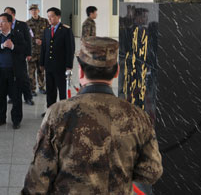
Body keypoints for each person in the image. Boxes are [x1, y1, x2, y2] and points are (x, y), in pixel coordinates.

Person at [22, 37, 163, 193]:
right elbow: (151, 172)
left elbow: (38, 177)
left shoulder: (59, 113)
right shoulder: (137, 116)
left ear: (81, 71)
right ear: (116, 72)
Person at [0, 13, 26, 129]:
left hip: (14, 71)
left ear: (9, 23)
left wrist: (13, 46)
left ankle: (16, 120)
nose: (0, 23)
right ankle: (1, 119)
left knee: (16, 97)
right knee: (1, 96)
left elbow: (24, 49)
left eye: (3, 21)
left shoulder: (17, 35)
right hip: (0, 71)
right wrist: (2, 46)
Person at [40, 7, 74, 112]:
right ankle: (51, 110)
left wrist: (69, 65)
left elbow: (70, 49)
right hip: (49, 65)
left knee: (62, 90)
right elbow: (44, 48)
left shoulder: (66, 30)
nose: (50, 19)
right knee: (50, 89)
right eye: (48, 17)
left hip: (60, 65)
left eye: (52, 16)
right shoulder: (46, 30)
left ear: (58, 17)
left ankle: (63, 111)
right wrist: (42, 63)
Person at [4, 6, 34, 105]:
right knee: (10, 78)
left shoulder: (22, 25)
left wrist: (28, 53)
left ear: (13, 14)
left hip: (20, 55)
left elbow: (28, 39)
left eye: (8, 13)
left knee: (23, 77)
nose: (6, 16)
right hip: (8, 56)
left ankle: (28, 97)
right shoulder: (4, 24)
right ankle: (12, 97)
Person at [26, 4, 49, 95]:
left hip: (42, 51)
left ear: (38, 11)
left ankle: (42, 87)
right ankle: (32, 89)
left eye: (35, 10)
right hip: (32, 51)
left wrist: (42, 41)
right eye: (32, 10)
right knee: (31, 72)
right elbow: (26, 37)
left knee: (41, 70)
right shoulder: (27, 23)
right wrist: (34, 40)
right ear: (30, 12)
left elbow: (48, 34)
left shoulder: (45, 21)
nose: (34, 11)